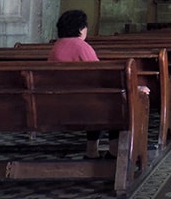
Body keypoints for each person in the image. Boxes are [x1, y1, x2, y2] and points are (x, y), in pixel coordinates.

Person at [48, 10, 118, 159]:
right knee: (117, 102)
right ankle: (113, 150)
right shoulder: (81, 46)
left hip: (57, 101)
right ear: (81, 29)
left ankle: (92, 150)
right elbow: (100, 75)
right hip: (81, 103)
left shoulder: (56, 47)